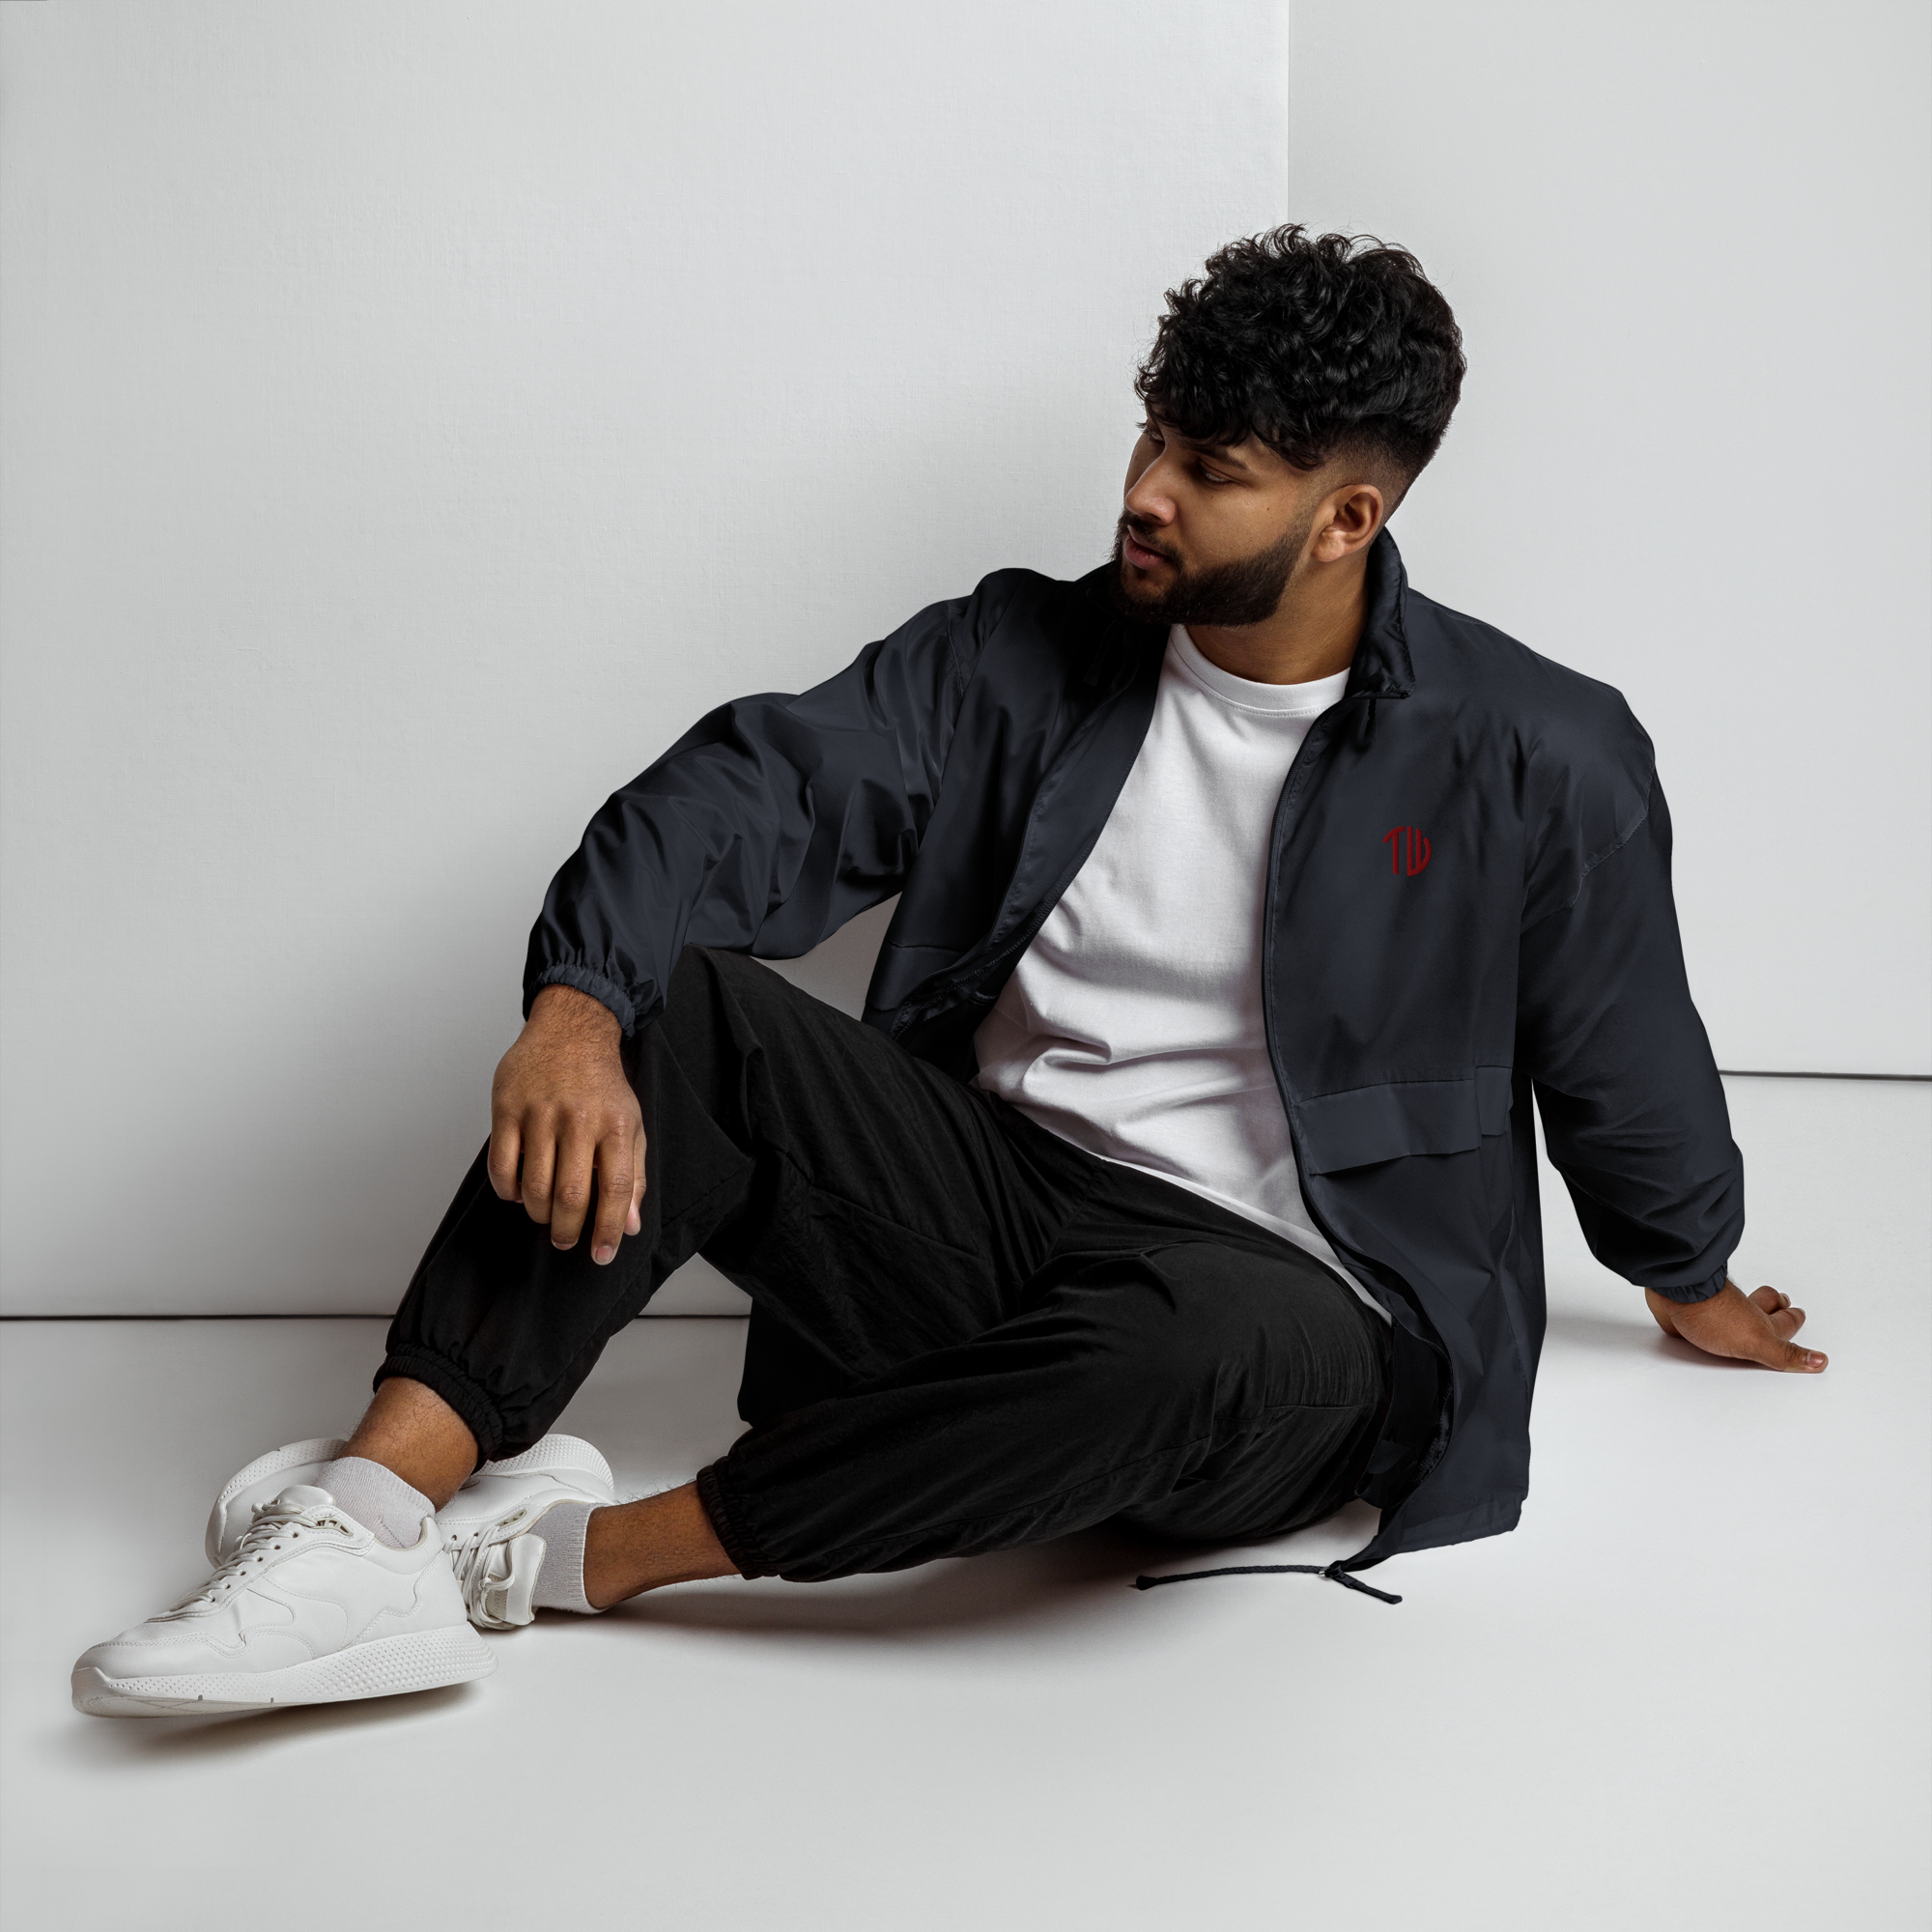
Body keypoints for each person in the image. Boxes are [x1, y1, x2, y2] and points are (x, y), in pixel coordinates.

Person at [71, 226, 1826, 1719]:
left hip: (1302, 1315)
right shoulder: (1015, 656)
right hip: (996, 1215)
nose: (1145, 492)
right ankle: (369, 1520)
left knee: (1193, 1338)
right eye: (1151, 433)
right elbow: (750, 793)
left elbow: (1621, 1039)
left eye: (1212, 470)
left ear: (1348, 514)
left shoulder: (1537, 752)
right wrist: (577, 1006)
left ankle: (564, 1558)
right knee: (682, 1006)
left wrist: (1686, 1269)